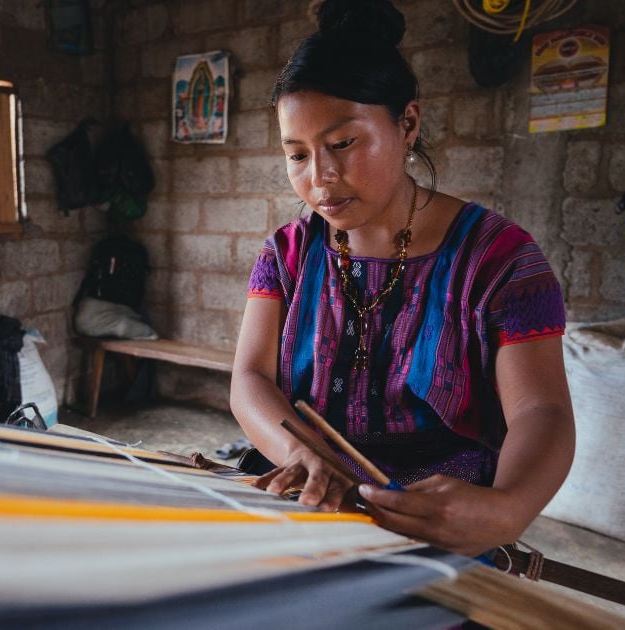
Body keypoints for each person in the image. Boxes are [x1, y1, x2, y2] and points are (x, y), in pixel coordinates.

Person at [230, 0, 576, 557]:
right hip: (313, 506)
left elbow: (543, 412)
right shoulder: (288, 253)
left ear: (407, 123)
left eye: (342, 144)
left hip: (439, 522)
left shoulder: (500, 260)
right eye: (297, 156)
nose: (320, 179)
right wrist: (299, 452)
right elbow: (249, 378)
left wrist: (507, 508)